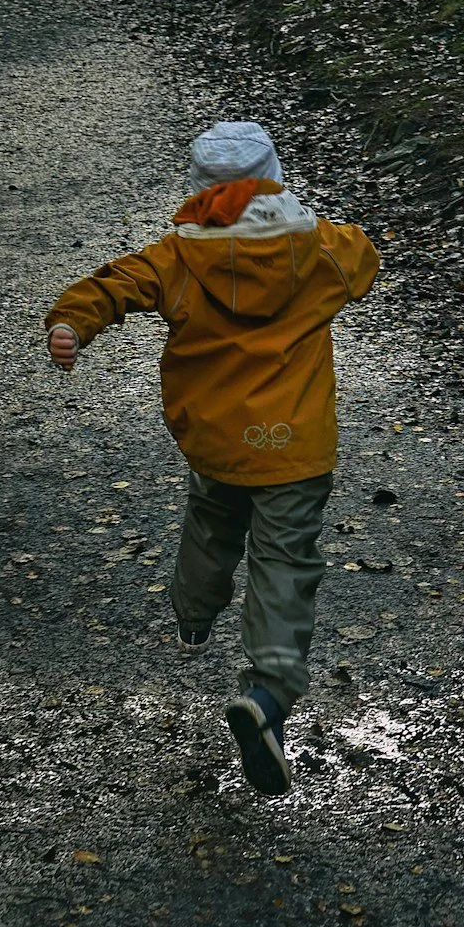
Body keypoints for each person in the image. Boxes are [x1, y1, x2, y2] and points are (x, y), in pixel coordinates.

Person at [44, 121, 380, 795]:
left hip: (219, 439)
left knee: (212, 522)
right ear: (275, 180)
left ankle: (193, 614)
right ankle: (268, 693)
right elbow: (364, 263)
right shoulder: (321, 248)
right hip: (294, 444)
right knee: (285, 563)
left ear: (198, 193)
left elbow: (114, 283)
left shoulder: (177, 256)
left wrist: (70, 321)